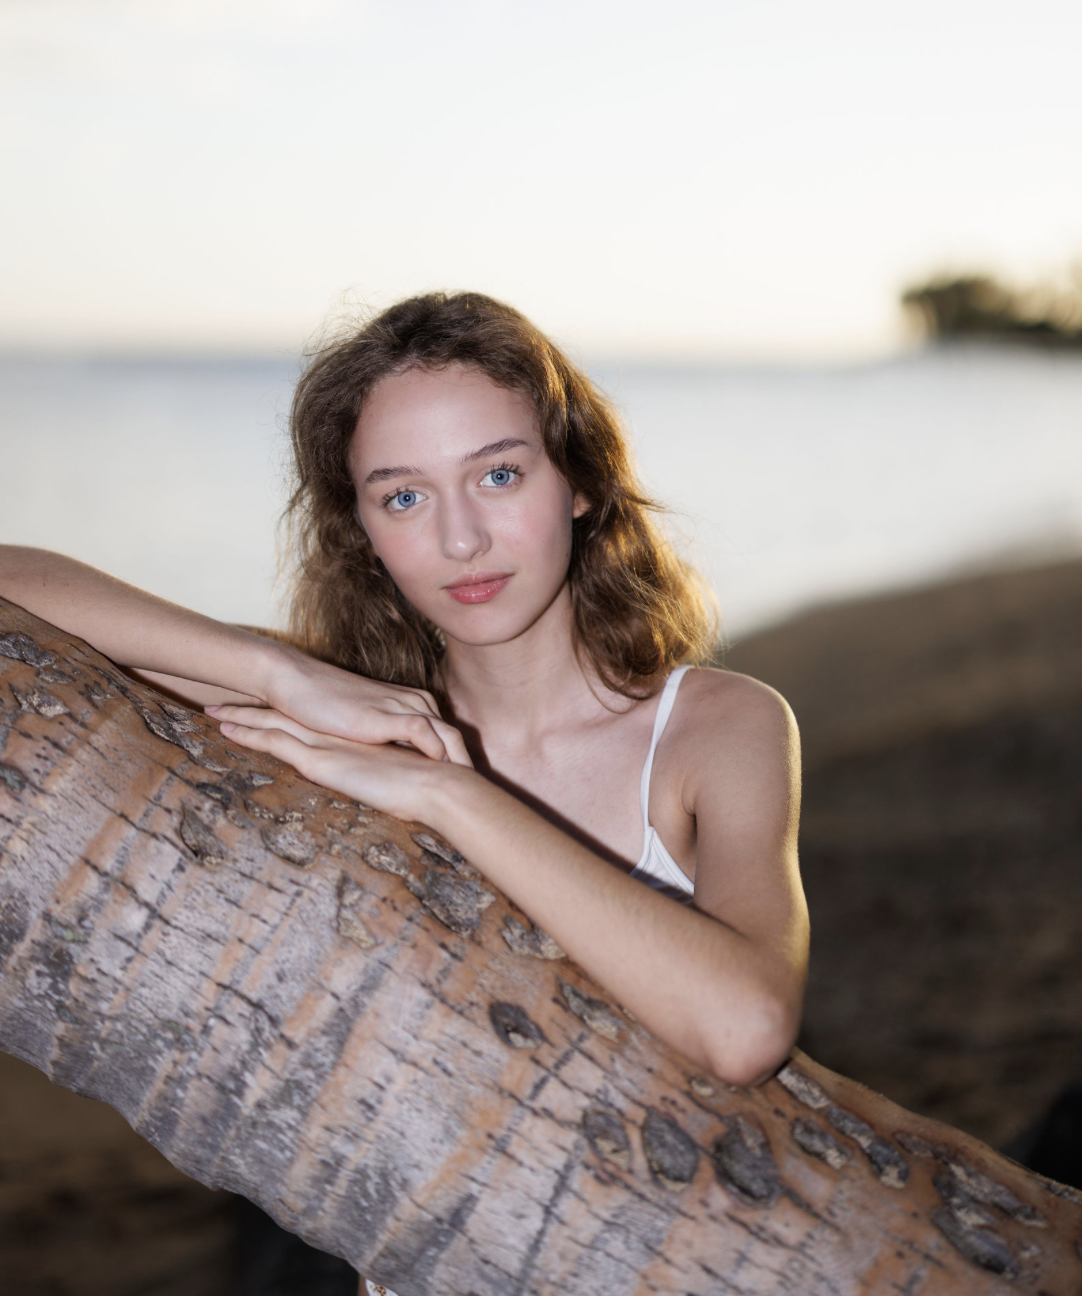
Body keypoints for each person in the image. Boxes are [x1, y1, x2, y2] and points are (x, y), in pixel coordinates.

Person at [0, 292, 808, 1293]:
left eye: (499, 475)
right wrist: (272, 672)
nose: (461, 540)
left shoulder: (715, 728)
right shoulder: (342, 722)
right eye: (403, 497)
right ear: (362, 532)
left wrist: (451, 797)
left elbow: (742, 1027)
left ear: (580, 483)